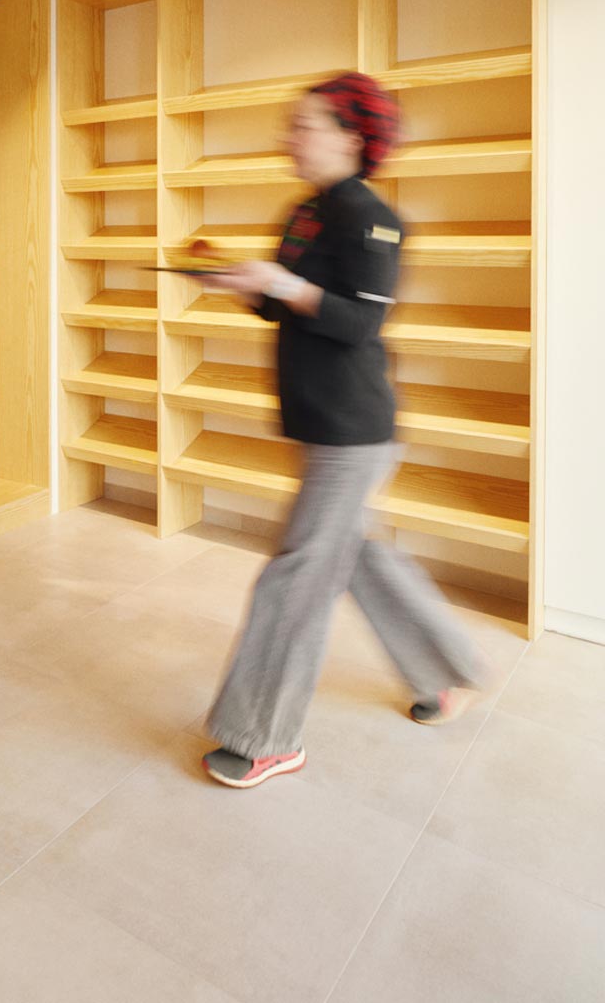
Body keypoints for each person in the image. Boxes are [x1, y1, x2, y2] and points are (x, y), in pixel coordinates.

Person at [200, 71, 485, 790]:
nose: (288, 138)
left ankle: (265, 738)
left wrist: (283, 285)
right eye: (291, 125)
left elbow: (361, 321)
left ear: (353, 138)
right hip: (319, 421)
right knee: (352, 555)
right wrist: (249, 286)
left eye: (305, 125)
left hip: (353, 430)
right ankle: (447, 675)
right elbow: (289, 306)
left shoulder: (372, 218)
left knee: (296, 576)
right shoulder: (305, 212)